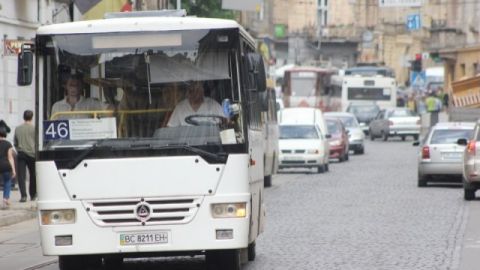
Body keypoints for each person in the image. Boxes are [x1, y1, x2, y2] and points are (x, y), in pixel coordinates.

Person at [14, 110, 36, 202]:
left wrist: (18, 149)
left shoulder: (18, 128)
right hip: (32, 154)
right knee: (33, 175)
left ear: (24, 117)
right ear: (32, 117)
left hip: (21, 153)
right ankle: (33, 194)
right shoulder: (34, 128)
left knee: (21, 176)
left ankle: (23, 196)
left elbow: (15, 142)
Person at [0, 127, 16, 208]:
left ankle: (6, 199)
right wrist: (13, 170)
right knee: (7, 181)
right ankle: (6, 198)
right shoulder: (8, 144)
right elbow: (10, 157)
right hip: (5, 165)